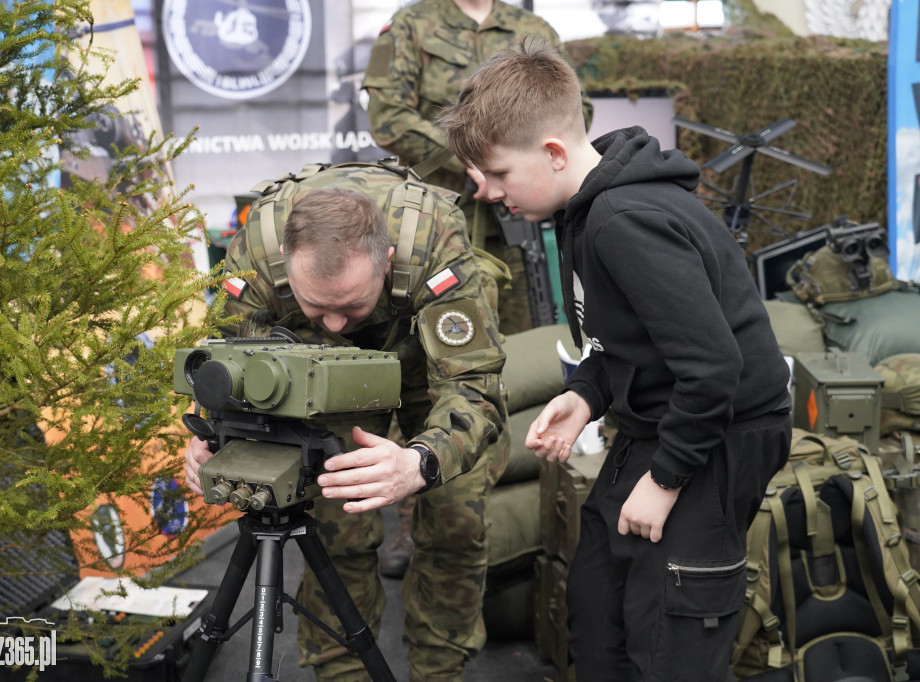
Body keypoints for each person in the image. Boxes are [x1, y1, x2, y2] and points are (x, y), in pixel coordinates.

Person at [440, 41, 793, 680]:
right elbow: (621, 339)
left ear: (552, 152)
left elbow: (715, 367)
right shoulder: (583, 209)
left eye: (497, 174)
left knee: (669, 633)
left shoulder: (624, 220)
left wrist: (664, 481)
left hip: (716, 435)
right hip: (657, 423)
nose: (488, 194)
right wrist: (585, 394)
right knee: (597, 608)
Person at [183, 170, 509, 682]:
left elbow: (474, 388)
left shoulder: (431, 240)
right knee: (340, 527)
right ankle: (343, 673)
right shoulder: (257, 254)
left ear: (389, 264)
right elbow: (231, 369)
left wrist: (421, 461)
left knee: (457, 522)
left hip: (422, 347)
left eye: (351, 305)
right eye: (319, 305)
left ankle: (440, 670)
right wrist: (208, 438)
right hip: (314, 364)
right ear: (287, 272)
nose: (336, 322)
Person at [361, 0, 593, 578]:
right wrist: (472, 158)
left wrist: (512, 162)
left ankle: (495, 510)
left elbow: (571, 112)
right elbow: (388, 117)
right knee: (422, 369)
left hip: (510, 234)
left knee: (500, 368)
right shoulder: (411, 25)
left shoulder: (534, 29)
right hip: (431, 225)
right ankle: (416, 515)